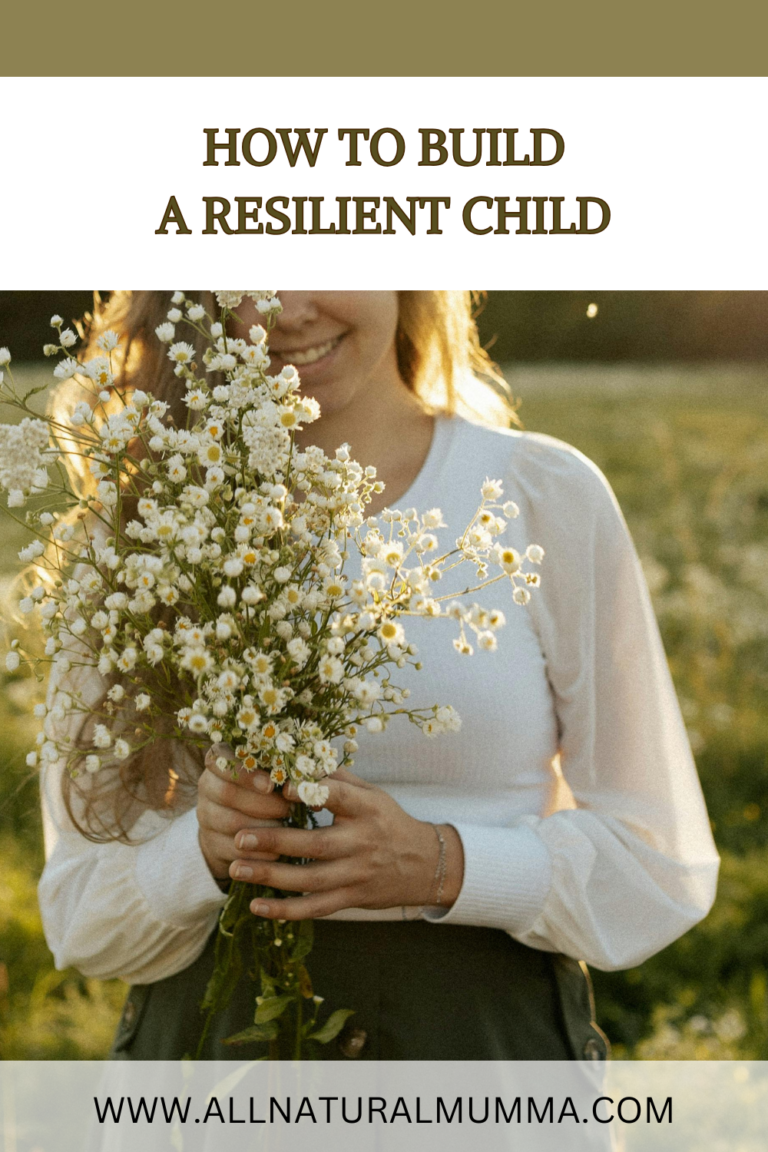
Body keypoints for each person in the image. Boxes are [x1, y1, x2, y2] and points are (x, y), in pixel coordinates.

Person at [38, 290, 719, 1061]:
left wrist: (444, 865)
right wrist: (200, 853)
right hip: (208, 1061)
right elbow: (78, 916)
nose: (288, 310)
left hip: (481, 1053)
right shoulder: (139, 522)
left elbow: (659, 868)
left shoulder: (540, 494)